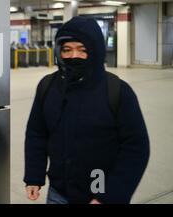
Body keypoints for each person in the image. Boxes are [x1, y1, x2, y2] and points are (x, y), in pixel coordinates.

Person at [23, 16, 150, 204]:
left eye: (82, 50)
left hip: (99, 192)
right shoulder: (48, 86)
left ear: (96, 51)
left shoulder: (118, 91)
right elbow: (37, 133)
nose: (74, 56)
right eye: (67, 49)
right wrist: (34, 175)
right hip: (58, 193)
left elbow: (136, 148)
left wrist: (109, 196)